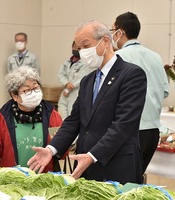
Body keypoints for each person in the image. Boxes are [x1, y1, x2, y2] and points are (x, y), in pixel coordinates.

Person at [27, 20, 147, 184]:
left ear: (105, 41)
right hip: (85, 164)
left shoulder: (131, 74)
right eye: (79, 47)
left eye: (86, 45)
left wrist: (93, 155)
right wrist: (51, 149)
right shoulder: (87, 80)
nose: (82, 52)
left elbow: (123, 124)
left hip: (116, 163)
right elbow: (74, 120)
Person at [112, 12, 169, 174]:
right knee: (137, 178)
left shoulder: (118, 57)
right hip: (152, 131)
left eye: (113, 30)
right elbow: (164, 91)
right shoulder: (156, 57)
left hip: (128, 130)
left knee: (122, 181)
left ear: (120, 32)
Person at [0, 66, 63, 171]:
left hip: (45, 180)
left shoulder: (53, 116)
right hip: (12, 180)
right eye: (27, 90)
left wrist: (59, 146)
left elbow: (61, 155)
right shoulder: (1, 119)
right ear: (14, 96)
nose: (33, 93)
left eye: (36, 88)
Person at [57, 41, 92, 120]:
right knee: (61, 113)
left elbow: (81, 78)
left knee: (72, 114)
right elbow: (61, 74)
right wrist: (66, 83)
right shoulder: (66, 62)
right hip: (65, 92)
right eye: (75, 47)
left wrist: (70, 87)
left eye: (79, 48)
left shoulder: (86, 63)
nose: (76, 49)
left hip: (76, 92)